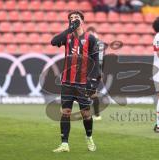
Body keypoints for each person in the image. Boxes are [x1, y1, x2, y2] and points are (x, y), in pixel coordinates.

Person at [51, 11, 100, 152]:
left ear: (82, 21)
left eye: (76, 18)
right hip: (67, 82)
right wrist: (69, 29)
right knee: (65, 112)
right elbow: (53, 41)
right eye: (71, 18)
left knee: (86, 114)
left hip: (82, 83)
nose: (73, 19)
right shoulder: (66, 37)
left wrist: (94, 81)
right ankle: (64, 143)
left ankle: (89, 137)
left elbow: (97, 62)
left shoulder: (90, 39)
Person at [86, 26, 105, 121]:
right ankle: (95, 114)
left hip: (93, 71)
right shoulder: (99, 43)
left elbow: (100, 59)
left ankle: (96, 115)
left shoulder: (97, 44)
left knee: (92, 93)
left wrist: (100, 71)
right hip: (89, 70)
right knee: (91, 93)